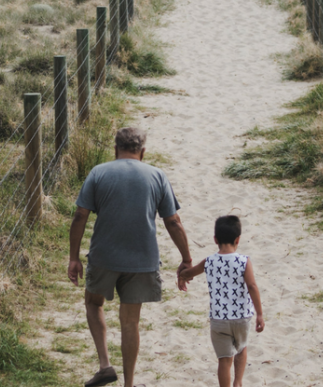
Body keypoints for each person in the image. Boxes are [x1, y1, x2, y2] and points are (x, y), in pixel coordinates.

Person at [68, 127, 193, 387]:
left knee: (93, 303)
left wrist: (74, 257)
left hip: (104, 257)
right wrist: (186, 259)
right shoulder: (157, 175)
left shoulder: (99, 172)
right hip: (142, 261)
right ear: (143, 152)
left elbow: (80, 215)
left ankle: (105, 365)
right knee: (130, 322)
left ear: (116, 150)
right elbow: (173, 221)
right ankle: (129, 384)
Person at [178, 215, 264, 387]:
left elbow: (190, 273)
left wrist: (182, 277)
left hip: (219, 320)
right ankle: (238, 382)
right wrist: (260, 314)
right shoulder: (244, 261)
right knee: (241, 349)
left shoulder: (209, 261)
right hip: (241, 317)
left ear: (215, 239)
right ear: (238, 239)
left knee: (224, 360)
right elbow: (252, 286)